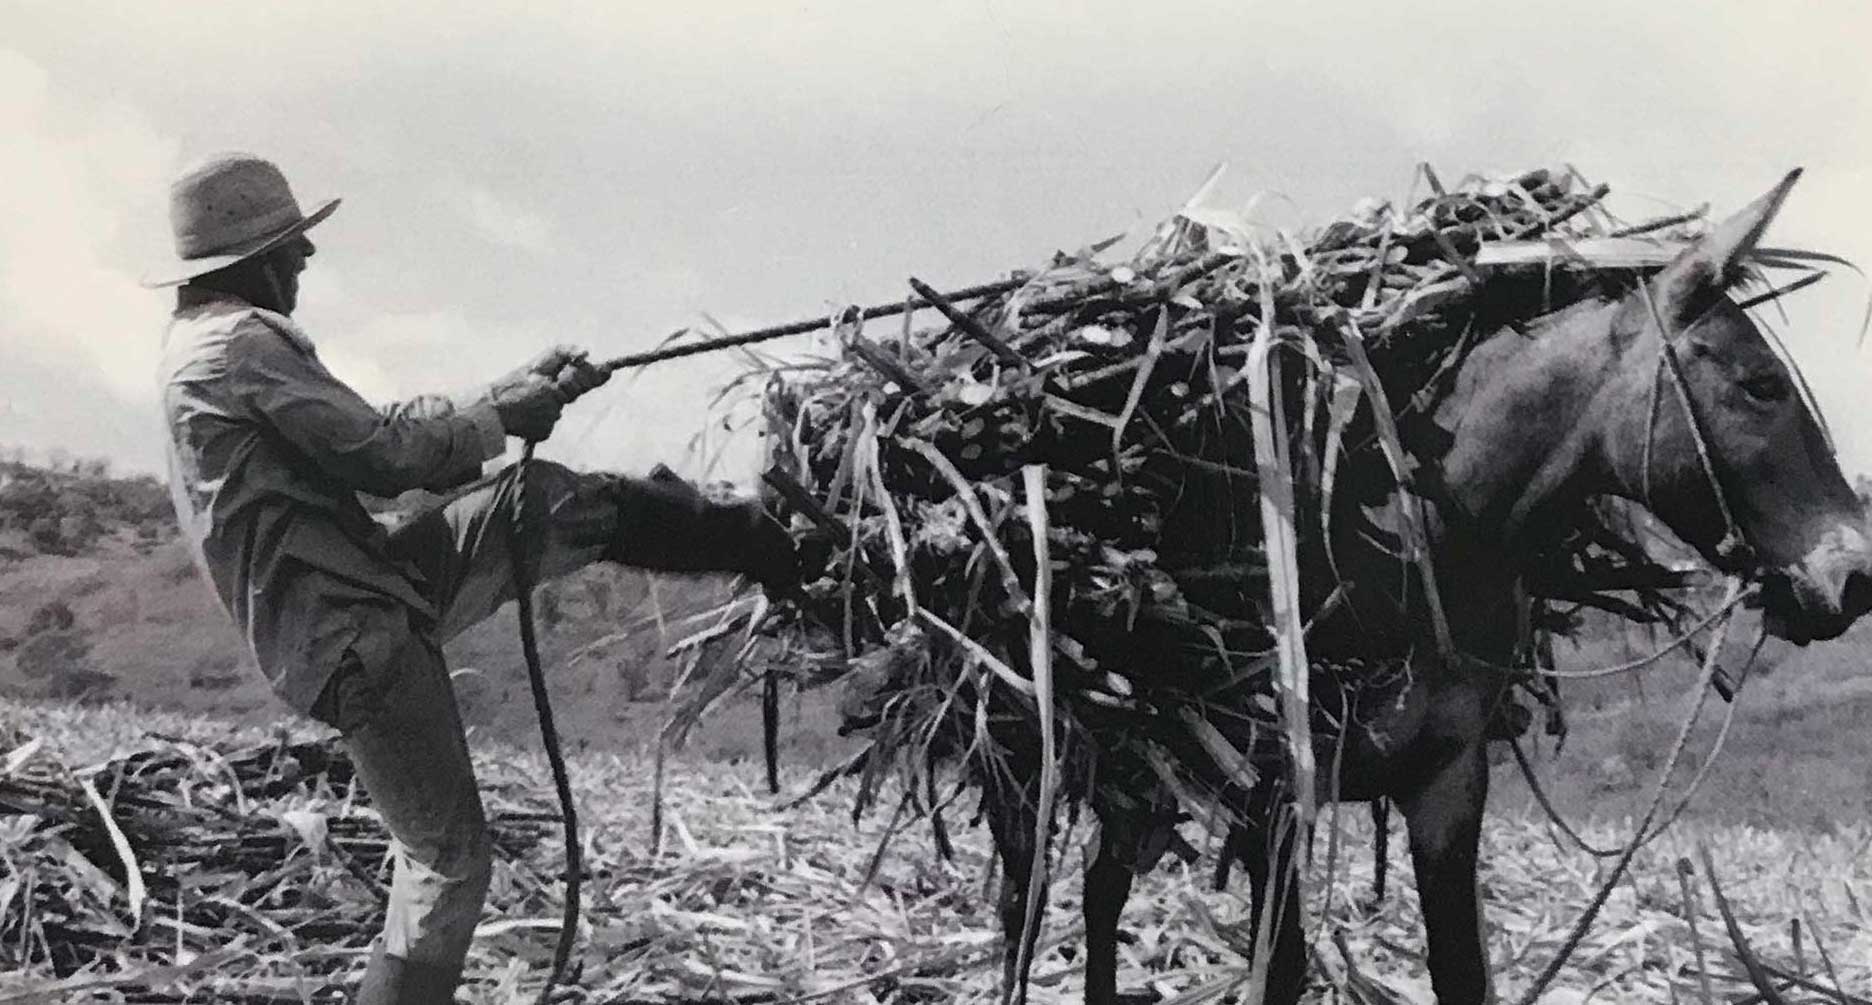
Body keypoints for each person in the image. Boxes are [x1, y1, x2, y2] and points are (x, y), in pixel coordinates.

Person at [147, 153, 797, 1004]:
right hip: (353, 628)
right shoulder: (238, 347)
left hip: (367, 588)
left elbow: (379, 432)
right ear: (256, 258)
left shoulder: (206, 346)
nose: (305, 259)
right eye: (293, 244)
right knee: (448, 864)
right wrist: (503, 413)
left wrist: (509, 391)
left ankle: (759, 537)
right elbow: (383, 458)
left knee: (535, 502)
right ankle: (768, 541)